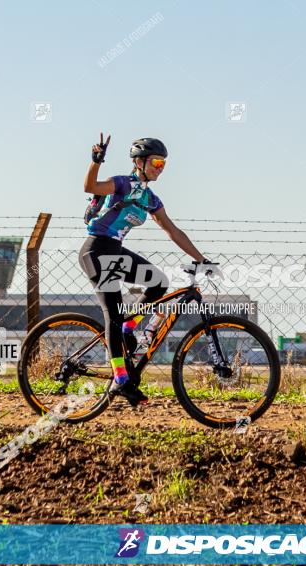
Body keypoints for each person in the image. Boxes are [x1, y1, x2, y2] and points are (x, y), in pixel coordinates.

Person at [79, 133, 211, 406]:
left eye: (164, 164)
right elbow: (89, 185)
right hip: (96, 251)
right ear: (139, 162)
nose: (160, 168)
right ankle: (120, 380)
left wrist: (202, 259)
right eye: (157, 162)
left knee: (158, 283)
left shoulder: (150, 198)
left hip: (114, 251)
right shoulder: (123, 184)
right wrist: (96, 161)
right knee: (113, 315)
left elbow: (173, 231)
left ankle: (129, 327)